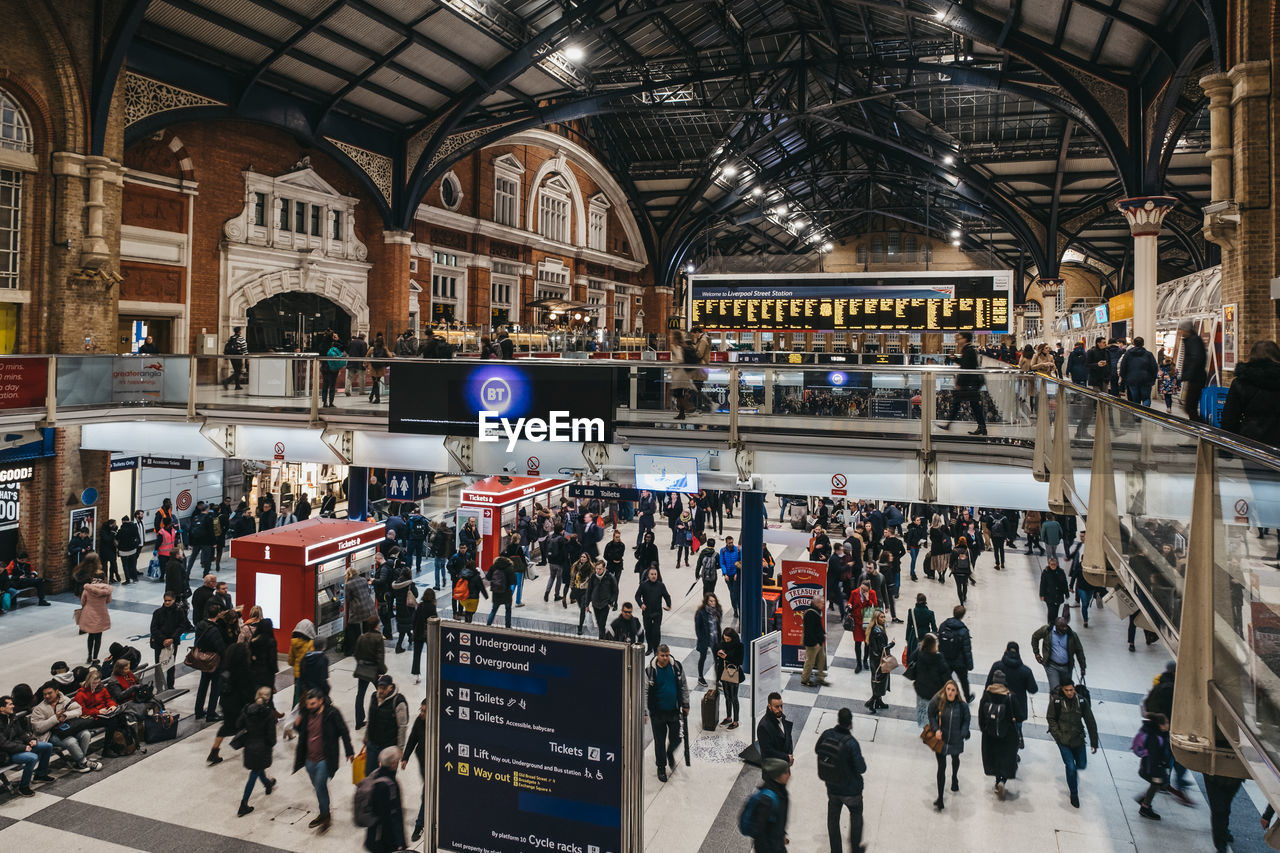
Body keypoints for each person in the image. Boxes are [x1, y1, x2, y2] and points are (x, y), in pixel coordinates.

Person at [288, 688, 355, 832]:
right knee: (319, 788)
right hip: (309, 759)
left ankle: (325, 815)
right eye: (308, 704)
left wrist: (349, 750)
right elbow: (302, 732)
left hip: (325, 758)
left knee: (319, 785)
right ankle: (325, 812)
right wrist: (296, 725)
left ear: (320, 701)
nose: (310, 707)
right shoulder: (306, 712)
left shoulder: (332, 713)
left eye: (312, 704)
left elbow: (343, 731)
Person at [815, 707, 866, 853]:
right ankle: (855, 849)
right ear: (850, 723)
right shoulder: (851, 743)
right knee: (856, 815)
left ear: (838, 720)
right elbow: (861, 768)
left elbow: (817, 749)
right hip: (852, 791)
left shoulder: (826, 734)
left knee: (833, 820)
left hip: (832, 787)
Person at [1044, 679, 1099, 809]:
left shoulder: (1081, 702)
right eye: (1067, 690)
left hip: (1078, 739)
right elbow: (1050, 718)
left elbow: (1090, 722)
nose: (1070, 693)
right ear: (1062, 690)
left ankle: (1072, 777)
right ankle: (1074, 793)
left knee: (1081, 764)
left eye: (1072, 690)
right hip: (1063, 740)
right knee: (1070, 766)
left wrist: (1094, 741)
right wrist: (1057, 735)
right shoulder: (1056, 702)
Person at [643, 645, 688, 782]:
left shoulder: (677, 667)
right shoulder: (650, 671)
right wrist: (645, 711)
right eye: (663, 655)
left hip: (674, 711)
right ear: (657, 655)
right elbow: (644, 692)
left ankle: (670, 753)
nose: (665, 658)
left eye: (667, 655)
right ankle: (661, 767)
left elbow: (684, 685)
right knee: (659, 742)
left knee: (677, 738)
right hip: (657, 713)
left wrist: (685, 704)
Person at [1222, 339, 1280, 446]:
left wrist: (1227, 448)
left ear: (1252, 356)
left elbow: (1229, 418)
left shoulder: (1241, 382)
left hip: (1250, 443)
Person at [927, 680, 970, 810]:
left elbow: (967, 720)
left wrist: (963, 732)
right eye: (948, 689)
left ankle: (954, 777)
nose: (950, 692)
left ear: (957, 692)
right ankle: (940, 798)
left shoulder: (962, 706)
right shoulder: (938, 700)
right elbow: (931, 713)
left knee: (955, 759)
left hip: (956, 739)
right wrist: (935, 729)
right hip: (942, 739)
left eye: (953, 690)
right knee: (941, 767)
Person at [0, 692, 55, 795]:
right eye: (10, 704)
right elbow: (4, 744)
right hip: (6, 754)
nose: (13, 706)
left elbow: (21, 733)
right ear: (2, 708)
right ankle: (23, 787)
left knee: (48, 746)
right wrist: (23, 747)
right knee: (32, 757)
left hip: (18, 747)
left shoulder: (12, 717)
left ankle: (40, 775)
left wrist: (30, 739)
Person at [986, 641, 1038, 749]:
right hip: (1017, 708)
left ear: (1006, 651)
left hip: (999, 705)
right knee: (1016, 730)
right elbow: (1033, 689)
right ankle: (1014, 750)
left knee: (999, 726)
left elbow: (988, 685)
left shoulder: (997, 666)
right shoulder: (1025, 671)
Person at [236, 686, 278, 816]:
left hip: (249, 746)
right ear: (269, 698)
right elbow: (271, 735)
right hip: (262, 747)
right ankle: (244, 803)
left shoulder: (247, 709)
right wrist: (271, 744)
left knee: (258, 769)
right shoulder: (269, 713)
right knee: (255, 772)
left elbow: (238, 725)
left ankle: (267, 784)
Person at [979, 670, 1019, 800]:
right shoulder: (1010, 696)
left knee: (995, 757)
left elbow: (980, 715)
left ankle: (997, 781)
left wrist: (984, 729)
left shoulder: (986, 694)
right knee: (1007, 758)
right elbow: (1019, 715)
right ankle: (1003, 781)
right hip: (1007, 734)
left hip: (990, 734)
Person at [939, 331, 987, 435]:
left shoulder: (968, 351)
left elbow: (966, 369)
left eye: (959, 338)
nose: (958, 340)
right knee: (973, 405)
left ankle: (949, 424)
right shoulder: (969, 350)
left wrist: (959, 384)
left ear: (965, 339)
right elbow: (965, 364)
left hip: (968, 384)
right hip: (971, 384)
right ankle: (982, 428)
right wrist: (955, 358)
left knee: (959, 403)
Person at [363, 675, 408, 779]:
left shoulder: (398, 702)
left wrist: (400, 748)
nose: (381, 691)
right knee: (369, 774)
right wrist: (366, 735)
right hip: (373, 743)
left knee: (388, 777)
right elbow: (370, 718)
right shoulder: (374, 697)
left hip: (389, 746)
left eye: (384, 688)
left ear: (390, 687)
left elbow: (402, 726)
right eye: (379, 687)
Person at [362, 746, 406, 852]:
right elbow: (393, 816)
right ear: (392, 763)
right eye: (397, 761)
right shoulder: (390, 785)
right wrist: (400, 843)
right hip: (384, 840)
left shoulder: (375, 775)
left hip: (372, 835)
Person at [906, 633, 951, 728]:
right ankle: (931, 729)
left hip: (920, 688)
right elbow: (946, 676)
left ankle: (924, 727)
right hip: (934, 692)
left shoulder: (919, 652)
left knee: (922, 709)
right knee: (933, 711)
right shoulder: (938, 658)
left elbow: (910, 659)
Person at [748, 758, 791, 853]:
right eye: (786, 772)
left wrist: (781, 835)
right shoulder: (767, 799)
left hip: (776, 843)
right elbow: (759, 829)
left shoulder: (781, 791)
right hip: (769, 848)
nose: (789, 775)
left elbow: (778, 819)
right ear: (777, 776)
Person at [1032, 616, 1087, 689]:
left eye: (1065, 626)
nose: (1065, 628)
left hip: (1067, 667)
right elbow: (1035, 637)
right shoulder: (1047, 630)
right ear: (1056, 626)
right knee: (1055, 691)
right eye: (1062, 627)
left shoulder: (1072, 635)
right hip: (1052, 665)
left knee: (1066, 690)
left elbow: (1079, 651)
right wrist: (1037, 653)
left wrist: (1082, 667)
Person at [1136, 712, 1171, 820]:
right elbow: (1154, 756)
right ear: (1160, 725)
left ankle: (1144, 800)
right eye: (1166, 723)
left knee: (1160, 784)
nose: (1168, 725)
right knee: (1156, 783)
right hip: (1152, 767)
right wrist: (1158, 769)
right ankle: (1145, 807)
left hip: (1154, 766)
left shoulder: (1160, 734)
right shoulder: (1155, 737)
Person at [149, 591, 187, 691]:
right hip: (159, 643)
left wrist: (172, 639)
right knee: (158, 666)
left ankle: (170, 686)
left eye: (169, 601)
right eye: (165, 600)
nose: (167, 602)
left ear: (174, 600)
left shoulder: (179, 612)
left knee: (171, 665)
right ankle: (159, 686)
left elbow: (182, 626)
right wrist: (163, 639)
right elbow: (154, 628)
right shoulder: (157, 612)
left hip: (172, 643)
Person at [353, 618, 386, 730]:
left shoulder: (361, 637)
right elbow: (380, 657)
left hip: (362, 669)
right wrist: (382, 671)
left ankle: (359, 721)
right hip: (374, 670)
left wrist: (361, 663)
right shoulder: (378, 638)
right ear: (376, 626)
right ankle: (381, 719)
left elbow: (356, 654)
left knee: (360, 695)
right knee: (382, 694)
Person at [938, 605, 974, 702]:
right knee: (963, 680)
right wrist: (970, 665)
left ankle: (942, 696)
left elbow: (939, 643)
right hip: (959, 662)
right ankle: (967, 697)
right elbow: (967, 650)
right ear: (962, 616)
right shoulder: (963, 630)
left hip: (946, 659)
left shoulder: (943, 625)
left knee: (944, 679)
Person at [403, 700, 428, 842]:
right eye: (421, 710)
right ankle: (422, 822)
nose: (421, 713)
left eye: (425, 711)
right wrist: (405, 757)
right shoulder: (419, 721)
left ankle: (420, 824)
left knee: (427, 794)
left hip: (439, 765)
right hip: (424, 763)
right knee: (428, 792)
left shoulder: (440, 723)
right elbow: (412, 739)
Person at [636, 567, 672, 655]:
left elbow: (667, 596)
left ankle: (656, 648)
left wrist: (668, 605)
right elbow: (637, 596)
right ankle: (649, 647)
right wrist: (641, 604)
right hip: (647, 612)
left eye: (655, 574)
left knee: (656, 631)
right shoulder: (643, 585)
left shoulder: (661, 585)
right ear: (648, 575)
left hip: (657, 612)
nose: (654, 576)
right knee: (648, 630)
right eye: (652, 574)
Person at [757, 691, 795, 774]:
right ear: (769, 706)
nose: (780, 709)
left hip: (784, 765)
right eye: (777, 707)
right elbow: (768, 751)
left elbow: (788, 738)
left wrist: (790, 754)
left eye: (781, 706)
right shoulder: (763, 726)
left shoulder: (782, 718)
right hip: (772, 769)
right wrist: (787, 757)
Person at [846, 577, 878, 674]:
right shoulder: (854, 592)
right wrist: (849, 605)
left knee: (867, 642)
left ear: (869, 589)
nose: (863, 591)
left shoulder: (872, 593)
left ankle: (865, 660)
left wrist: (868, 599)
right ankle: (859, 663)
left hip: (867, 622)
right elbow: (850, 602)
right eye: (862, 589)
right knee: (858, 642)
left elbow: (875, 606)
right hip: (857, 621)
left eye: (865, 590)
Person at [78, 572, 112, 663]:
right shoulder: (106, 589)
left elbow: (82, 601)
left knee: (90, 635)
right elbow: (108, 601)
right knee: (98, 637)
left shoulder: (87, 589)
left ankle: (89, 655)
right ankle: (95, 657)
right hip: (101, 614)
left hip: (89, 614)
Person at [1179, 321, 1208, 421]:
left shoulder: (1194, 340)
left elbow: (1196, 358)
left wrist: (1188, 375)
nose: (1181, 332)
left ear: (1186, 330)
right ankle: (1197, 426)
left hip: (1196, 377)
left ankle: (1200, 427)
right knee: (1191, 406)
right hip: (1195, 376)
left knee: (1190, 406)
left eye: (1181, 329)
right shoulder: (1193, 340)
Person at [864, 609, 892, 714]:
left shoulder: (874, 629)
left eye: (884, 617)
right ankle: (872, 701)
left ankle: (879, 701)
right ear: (876, 619)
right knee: (880, 681)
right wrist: (891, 644)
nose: (884, 619)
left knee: (877, 680)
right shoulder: (878, 632)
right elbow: (882, 648)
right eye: (881, 617)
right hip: (879, 661)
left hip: (874, 660)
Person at [716, 626, 744, 729]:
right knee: (727, 697)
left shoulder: (739, 646)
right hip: (723, 673)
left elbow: (739, 661)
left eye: (728, 639)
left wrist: (726, 657)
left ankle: (736, 721)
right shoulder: (722, 644)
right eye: (725, 638)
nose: (726, 641)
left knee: (734, 697)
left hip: (733, 673)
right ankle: (728, 717)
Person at [1119, 336, 1158, 406]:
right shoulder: (1148, 354)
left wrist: (1125, 378)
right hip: (1146, 380)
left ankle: (1138, 416)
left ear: (1133, 343)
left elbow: (1123, 367)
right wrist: (1153, 379)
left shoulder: (1128, 354)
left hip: (1132, 380)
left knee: (1135, 400)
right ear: (1143, 344)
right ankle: (1146, 414)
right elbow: (1154, 368)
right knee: (1146, 399)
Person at [801, 594, 830, 688]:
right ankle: (805, 680)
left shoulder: (817, 611)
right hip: (812, 643)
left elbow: (817, 626)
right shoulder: (810, 613)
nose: (823, 604)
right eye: (821, 603)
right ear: (816, 603)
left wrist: (823, 634)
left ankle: (820, 677)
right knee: (810, 661)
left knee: (822, 659)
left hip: (819, 641)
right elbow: (809, 630)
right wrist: (815, 643)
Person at [409, 589, 436, 685]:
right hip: (429, 633)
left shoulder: (420, 606)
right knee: (432, 654)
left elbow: (414, 619)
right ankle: (433, 673)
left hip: (418, 633)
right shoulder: (432, 607)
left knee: (417, 654)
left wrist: (414, 630)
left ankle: (416, 674)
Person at [289, 619, 316, 706]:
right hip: (308, 675)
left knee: (297, 695)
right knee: (307, 695)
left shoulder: (293, 642)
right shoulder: (311, 643)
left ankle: (295, 712)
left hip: (297, 675)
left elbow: (290, 661)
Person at [904, 593, 937, 662]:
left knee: (913, 657)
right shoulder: (930, 613)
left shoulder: (912, 612)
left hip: (914, 636)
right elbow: (934, 627)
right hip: (926, 636)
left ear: (917, 600)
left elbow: (909, 625)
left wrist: (907, 638)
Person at [1039, 556, 1070, 624]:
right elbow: (1043, 584)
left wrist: (1066, 593)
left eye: (1054, 564)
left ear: (1057, 564)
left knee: (1056, 611)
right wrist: (1041, 594)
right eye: (1051, 564)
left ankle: (1054, 624)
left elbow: (1064, 583)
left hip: (1058, 595)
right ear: (1049, 564)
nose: (1053, 566)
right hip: (1049, 595)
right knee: (1051, 611)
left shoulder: (1061, 572)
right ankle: (1050, 624)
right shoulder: (1046, 572)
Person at [720, 535, 742, 617]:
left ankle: (740, 609)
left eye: (732, 542)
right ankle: (735, 609)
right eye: (729, 543)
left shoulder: (738, 550)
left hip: (736, 576)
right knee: (732, 593)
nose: (731, 544)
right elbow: (722, 563)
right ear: (726, 543)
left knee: (737, 593)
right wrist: (725, 574)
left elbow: (740, 561)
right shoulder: (723, 551)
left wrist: (737, 573)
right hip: (728, 577)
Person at [346, 332, 369, 397]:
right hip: (359, 363)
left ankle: (347, 390)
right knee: (361, 378)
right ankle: (361, 391)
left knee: (350, 377)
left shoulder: (352, 342)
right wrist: (365, 362)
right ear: (364, 337)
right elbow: (364, 353)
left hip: (351, 362)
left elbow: (348, 350)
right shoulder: (363, 343)